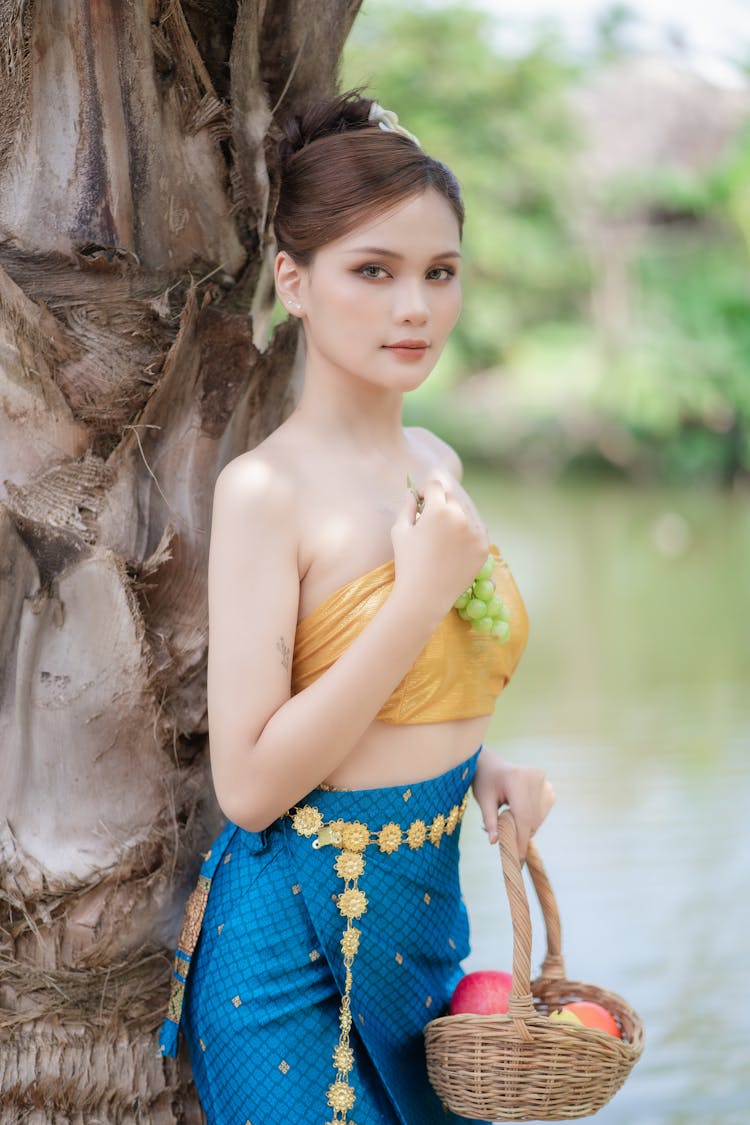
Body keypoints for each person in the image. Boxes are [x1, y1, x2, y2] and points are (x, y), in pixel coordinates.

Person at [159, 91, 555, 1125]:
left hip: (425, 933)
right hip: (288, 962)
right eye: (371, 272)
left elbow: (423, 688)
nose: (412, 308)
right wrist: (418, 596)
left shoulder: (436, 463)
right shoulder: (266, 491)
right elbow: (247, 786)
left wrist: (485, 765)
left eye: (439, 273)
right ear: (295, 281)